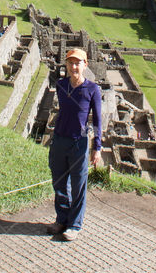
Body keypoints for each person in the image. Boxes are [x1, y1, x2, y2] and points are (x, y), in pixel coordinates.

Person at [47, 48, 103, 241]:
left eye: (78, 63)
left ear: (85, 65)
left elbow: (97, 121)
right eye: (70, 63)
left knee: (78, 185)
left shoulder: (93, 89)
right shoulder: (61, 85)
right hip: (60, 139)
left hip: (79, 143)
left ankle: (75, 224)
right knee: (59, 182)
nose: (74, 66)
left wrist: (97, 147)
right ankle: (61, 219)